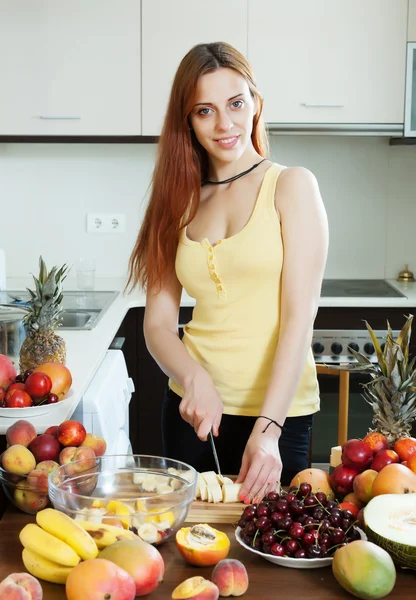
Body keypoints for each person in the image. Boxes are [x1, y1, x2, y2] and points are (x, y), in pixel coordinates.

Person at [127, 41, 328, 503]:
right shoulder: (175, 202)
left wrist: (270, 429)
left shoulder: (292, 185)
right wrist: (193, 378)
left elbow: (299, 318)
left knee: (270, 555)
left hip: (279, 415)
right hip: (193, 413)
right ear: (188, 121)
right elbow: (157, 324)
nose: (225, 124)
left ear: (256, 104)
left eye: (236, 103)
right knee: (190, 550)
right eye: (204, 110)